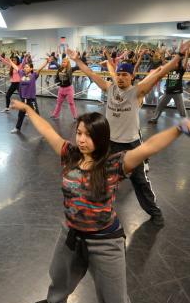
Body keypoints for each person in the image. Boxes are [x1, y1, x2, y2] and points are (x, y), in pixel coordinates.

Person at [10, 98, 190, 303]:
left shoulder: (114, 164)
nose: (82, 139)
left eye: (89, 135)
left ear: (101, 138)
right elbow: (48, 132)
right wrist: (30, 110)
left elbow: (148, 147)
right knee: (58, 275)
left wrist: (179, 128)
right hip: (71, 232)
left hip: (104, 241)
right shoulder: (68, 154)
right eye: (79, 133)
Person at [65, 40, 190, 226]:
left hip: (131, 144)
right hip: (109, 144)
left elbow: (161, 72)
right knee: (100, 177)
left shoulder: (138, 91)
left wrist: (179, 56)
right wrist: (77, 60)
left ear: (131, 77)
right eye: (119, 74)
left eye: (125, 75)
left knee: (140, 181)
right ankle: (97, 208)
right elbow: (90, 73)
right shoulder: (109, 88)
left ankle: (155, 213)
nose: (121, 77)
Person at [9, 58, 49, 134]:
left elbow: (40, 68)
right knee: (21, 114)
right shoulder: (21, 73)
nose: (25, 68)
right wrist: (10, 61)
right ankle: (17, 128)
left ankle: (43, 130)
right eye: (24, 67)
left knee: (37, 115)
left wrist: (46, 62)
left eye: (27, 67)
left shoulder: (34, 75)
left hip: (31, 99)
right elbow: (15, 67)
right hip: (24, 99)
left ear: (31, 68)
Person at [148, 50, 189, 123]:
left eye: (175, 63)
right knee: (159, 106)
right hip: (168, 92)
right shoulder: (169, 69)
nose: (173, 64)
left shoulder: (181, 70)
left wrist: (186, 54)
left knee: (182, 110)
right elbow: (164, 62)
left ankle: (186, 123)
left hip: (177, 93)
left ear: (178, 64)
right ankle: (154, 119)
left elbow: (185, 62)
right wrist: (162, 54)